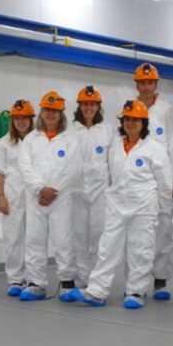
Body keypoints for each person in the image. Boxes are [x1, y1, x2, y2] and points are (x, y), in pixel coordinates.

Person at [70, 99, 173, 309]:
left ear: (144, 123)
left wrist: (163, 209)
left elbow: (165, 183)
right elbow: (109, 174)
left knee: (140, 248)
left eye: (135, 120)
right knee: (107, 247)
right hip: (117, 203)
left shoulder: (154, 148)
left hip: (144, 205)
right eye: (127, 119)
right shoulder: (116, 145)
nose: (130, 124)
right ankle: (97, 291)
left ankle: (136, 291)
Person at [18, 91, 82, 301]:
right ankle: (36, 282)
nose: (51, 114)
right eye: (47, 110)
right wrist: (39, 190)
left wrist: (52, 192)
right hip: (35, 198)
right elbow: (25, 167)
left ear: (61, 113)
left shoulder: (70, 139)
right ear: (41, 112)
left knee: (63, 239)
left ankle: (66, 282)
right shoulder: (30, 139)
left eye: (55, 111)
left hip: (61, 198)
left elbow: (73, 169)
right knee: (34, 239)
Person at [134, 63, 173, 300]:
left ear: (155, 84)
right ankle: (136, 281)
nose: (146, 86)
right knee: (138, 232)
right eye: (142, 82)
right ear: (137, 85)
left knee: (163, 228)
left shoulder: (166, 111)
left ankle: (160, 280)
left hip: (162, 179)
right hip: (138, 179)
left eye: (149, 82)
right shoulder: (130, 109)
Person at [0, 99, 35, 297]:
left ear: (31, 119)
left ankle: (33, 278)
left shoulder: (38, 141)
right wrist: (1, 197)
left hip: (35, 197)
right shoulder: (3, 144)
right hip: (12, 196)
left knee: (35, 238)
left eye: (24, 118)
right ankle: (15, 279)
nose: (21, 122)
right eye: (17, 118)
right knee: (13, 237)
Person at [71, 86, 113, 288]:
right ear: (79, 106)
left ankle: (97, 282)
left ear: (98, 107)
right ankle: (80, 281)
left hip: (100, 192)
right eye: (85, 104)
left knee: (99, 238)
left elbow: (113, 161)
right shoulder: (70, 130)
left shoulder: (107, 130)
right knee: (78, 237)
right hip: (76, 191)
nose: (89, 108)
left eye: (92, 104)